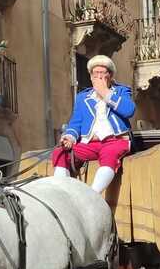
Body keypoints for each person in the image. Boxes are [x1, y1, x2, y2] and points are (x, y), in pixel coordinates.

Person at [52, 54, 135, 193]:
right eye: (95, 73)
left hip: (114, 141)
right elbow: (75, 123)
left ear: (110, 75)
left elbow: (129, 110)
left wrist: (105, 92)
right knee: (60, 153)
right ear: (90, 77)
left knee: (110, 154)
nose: (99, 76)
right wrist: (70, 137)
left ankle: (92, 194)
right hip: (89, 143)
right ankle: (63, 193)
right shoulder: (82, 97)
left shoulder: (121, 91)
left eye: (103, 73)